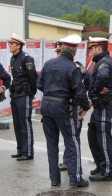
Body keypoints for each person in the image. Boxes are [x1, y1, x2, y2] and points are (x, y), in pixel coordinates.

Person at [37, 34, 90, 187]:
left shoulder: (48, 64)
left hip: (46, 108)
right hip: (64, 109)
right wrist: (85, 107)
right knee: (72, 142)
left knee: (51, 144)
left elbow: (40, 85)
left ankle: (54, 179)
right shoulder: (72, 68)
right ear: (74, 52)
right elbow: (80, 92)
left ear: (61, 50)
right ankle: (76, 179)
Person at [55, 42, 91, 171]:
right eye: (57, 52)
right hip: (61, 106)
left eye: (60, 52)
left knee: (73, 136)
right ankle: (67, 161)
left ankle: (72, 163)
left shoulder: (76, 65)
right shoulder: (56, 64)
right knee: (68, 136)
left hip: (73, 105)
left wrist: (81, 92)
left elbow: (87, 79)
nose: (58, 54)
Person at [87, 37, 112, 182]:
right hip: (100, 104)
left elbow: (103, 76)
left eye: (91, 48)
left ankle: (106, 171)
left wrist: (95, 92)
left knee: (103, 136)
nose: (90, 52)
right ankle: (101, 165)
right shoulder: (100, 62)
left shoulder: (103, 62)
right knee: (92, 133)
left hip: (105, 103)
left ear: (98, 48)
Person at [8, 33, 37, 161]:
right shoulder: (13, 59)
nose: (10, 45)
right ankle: (21, 150)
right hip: (15, 94)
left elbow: (33, 77)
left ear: (18, 45)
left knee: (25, 123)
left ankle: (28, 152)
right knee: (17, 123)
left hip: (24, 94)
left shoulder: (27, 58)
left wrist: (32, 92)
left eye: (12, 44)